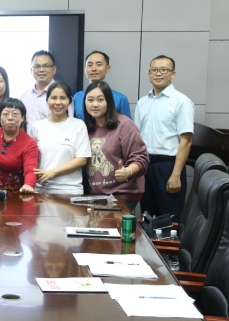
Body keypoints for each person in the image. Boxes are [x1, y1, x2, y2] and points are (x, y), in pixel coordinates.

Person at [135, 55, 194, 218]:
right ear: (149, 73)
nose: (158, 73)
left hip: (168, 167)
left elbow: (186, 142)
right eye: (154, 70)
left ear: (173, 74)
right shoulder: (142, 103)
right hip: (146, 166)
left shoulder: (182, 102)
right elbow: (137, 138)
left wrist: (176, 175)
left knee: (168, 220)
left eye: (163, 70)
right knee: (147, 217)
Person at [83, 81, 149, 211]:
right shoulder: (85, 127)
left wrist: (128, 171)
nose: (94, 104)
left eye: (100, 100)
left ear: (109, 102)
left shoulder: (124, 125)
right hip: (96, 195)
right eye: (90, 100)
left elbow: (141, 158)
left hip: (122, 194)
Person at [29, 82, 90, 194]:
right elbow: (32, 157)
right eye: (53, 98)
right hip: (41, 189)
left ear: (69, 101)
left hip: (70, 190)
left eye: (63, 98)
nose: (58, 102)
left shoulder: (78, 125)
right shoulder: (37, 126)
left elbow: (82, 159)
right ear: (47, 100)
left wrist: (53, 172)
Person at [0, 98, 38, 192]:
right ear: (0, 117)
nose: (10, 118)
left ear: (22, 118)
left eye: (15, 114)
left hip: (16, 194)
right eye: (5, 114)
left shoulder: (29, 144)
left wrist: (29, 184)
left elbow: (30, 169)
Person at [21, 50, 73, 128]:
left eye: (46, 66)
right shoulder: (24, 96)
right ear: (31, 70)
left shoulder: (63, 95)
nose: (41, 70)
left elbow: (69, 123)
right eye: (37, 66)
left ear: (54, 69)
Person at [73, 50, 131, 120]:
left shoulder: (120, 99)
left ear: (107, 68)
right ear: (85, 69)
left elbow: (127, 125)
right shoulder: (77, 97)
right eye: (90, 65)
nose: (94, 69)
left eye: (99, 64)